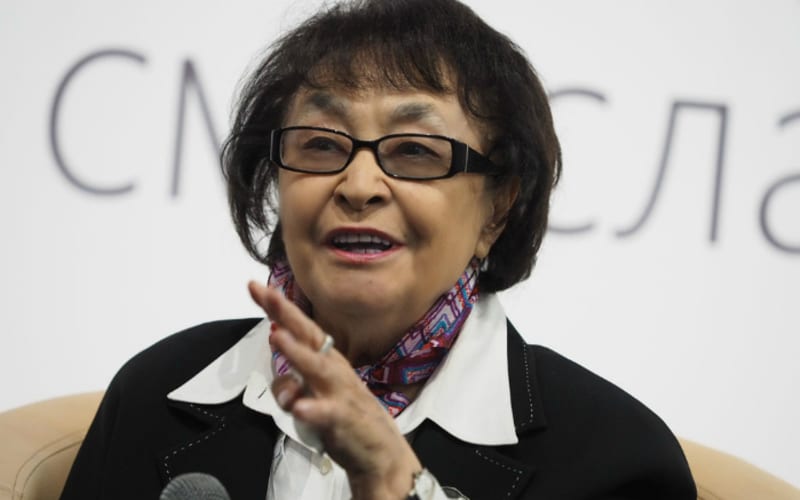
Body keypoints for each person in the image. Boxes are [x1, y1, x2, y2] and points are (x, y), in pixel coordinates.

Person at [61, 0, 697, 499]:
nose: (359, 184)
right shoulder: (155, 396)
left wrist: (396, 484)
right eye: (320, 144)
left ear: (498, 207)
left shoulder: (615, 460)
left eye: (415, 151)